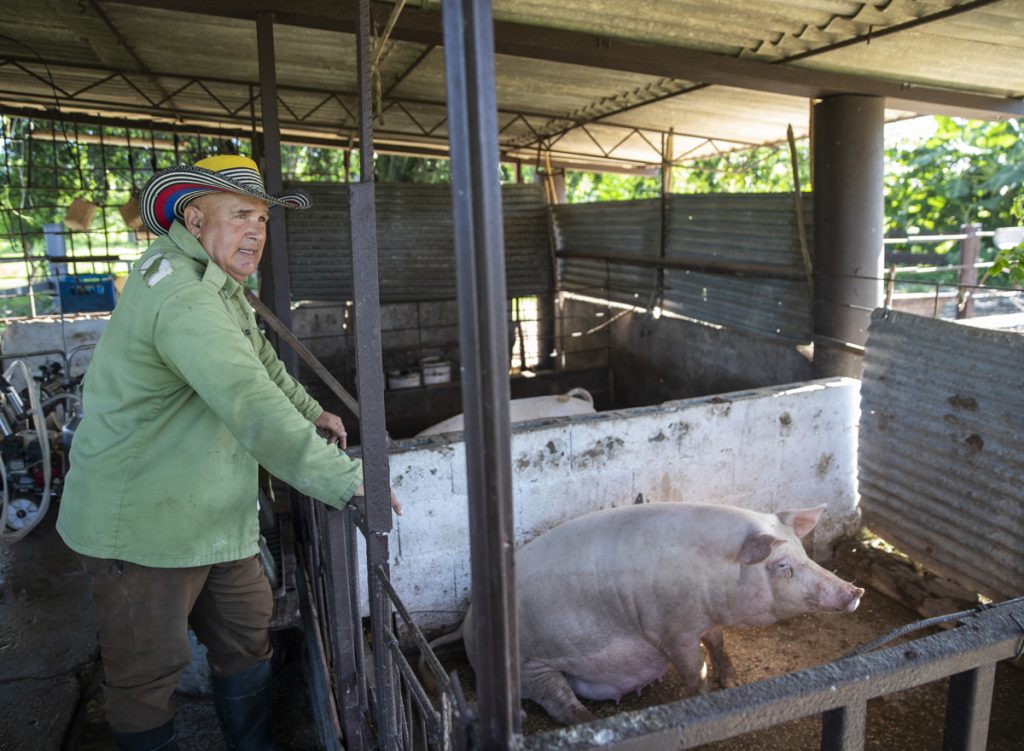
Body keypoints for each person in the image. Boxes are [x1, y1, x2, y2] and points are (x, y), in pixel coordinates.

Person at [56, 154, 399, 751]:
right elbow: (247, 400)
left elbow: (262, 365)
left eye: (263, 221)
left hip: (216, 515)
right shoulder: (181, 297)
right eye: (241, 216)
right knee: (147, 673)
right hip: (144, 526)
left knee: (246, 633)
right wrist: (346, 480)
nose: (255, 234)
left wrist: (310, 409)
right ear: (194, 219)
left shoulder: (221, 288)